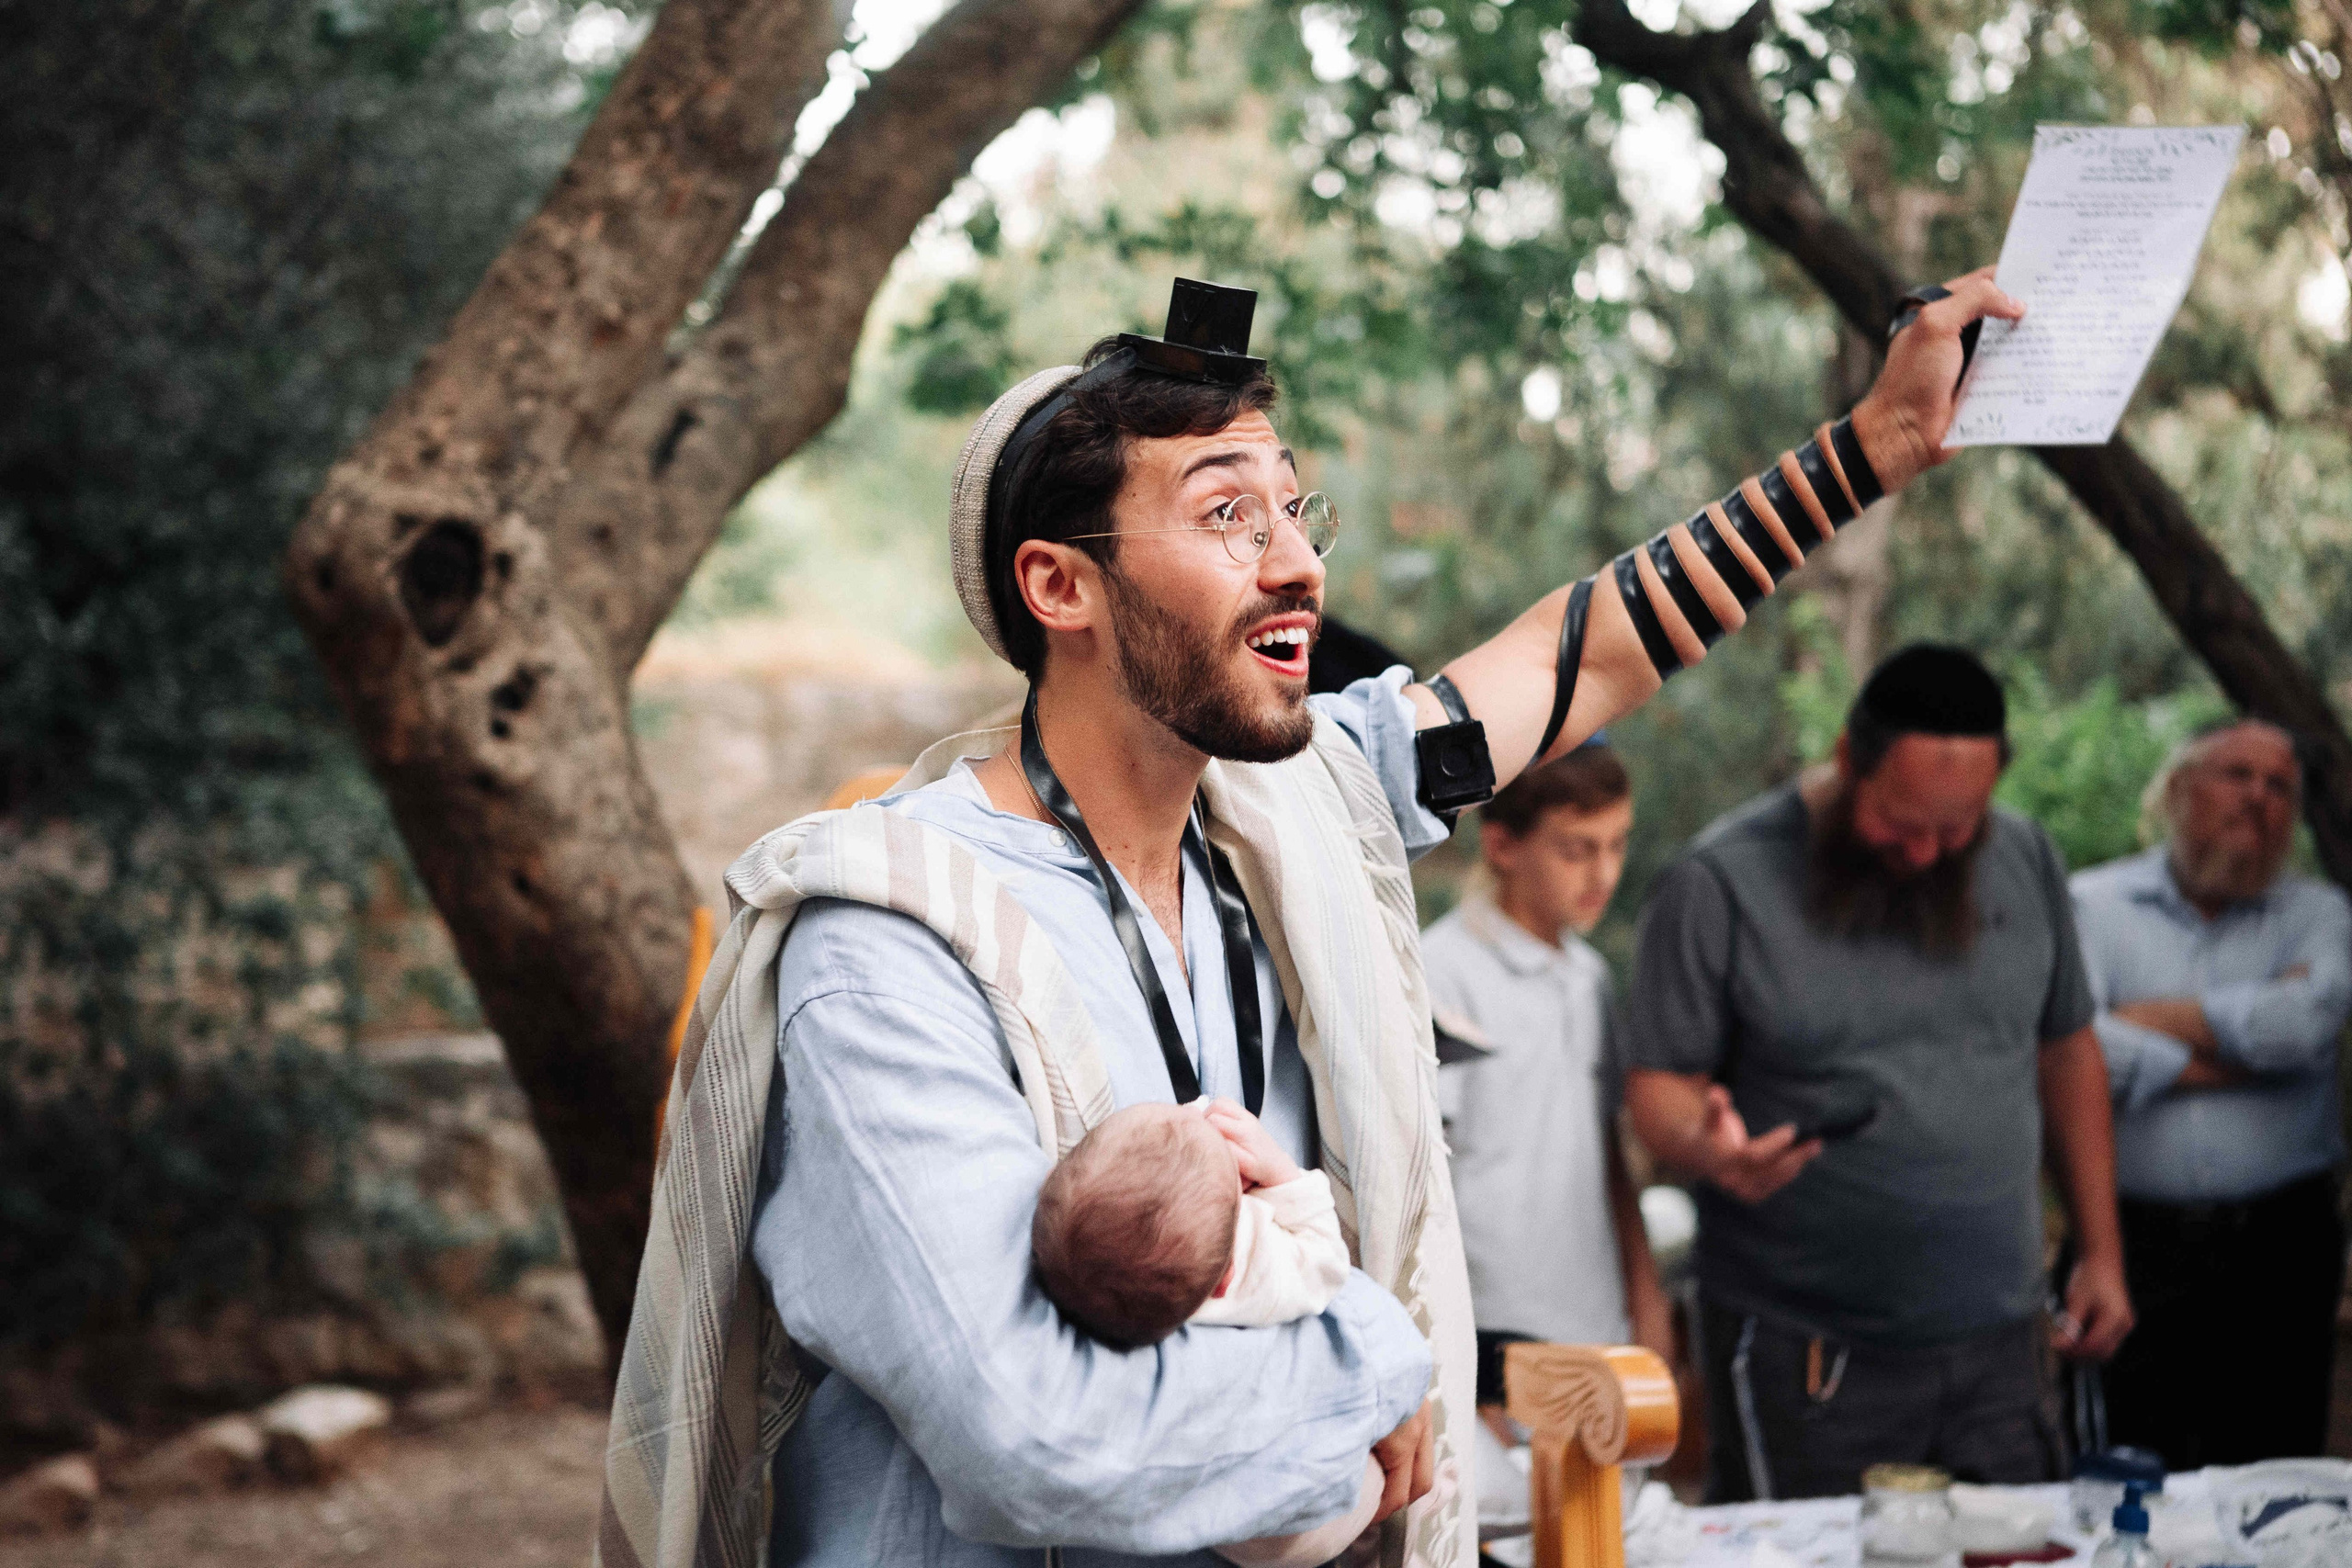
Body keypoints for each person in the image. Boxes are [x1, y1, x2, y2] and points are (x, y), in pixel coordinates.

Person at [597, 268, 2026, 1568]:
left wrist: (1871, 450)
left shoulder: (1296, 820)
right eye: (1227, 513)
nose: (1297, 563)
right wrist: (1381, 1360)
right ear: (1059, 585)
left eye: (1294, 508)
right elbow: (1042, 1439)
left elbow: (1577, 659)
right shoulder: (891, 945)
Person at [1621, 644, 2132, 1503]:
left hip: (2004, 1342)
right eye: (1904, 822)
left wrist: (2103, 1251)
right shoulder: (1719, 883)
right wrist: (1712, 1152)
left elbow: (2067, 1048)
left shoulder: (2027, 857)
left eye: (1960, 824)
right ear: (1849, 760)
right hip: (1809, 1357)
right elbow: (1657, 1092)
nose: (1930, 852)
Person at [2071, 717, 2351, 1468]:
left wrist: (2144, 1024)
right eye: (2237, 774)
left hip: (2282, 1247)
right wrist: (2242, 1048)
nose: (2258, 798)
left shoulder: (2320, 914)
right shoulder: (2091, 905)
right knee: (2125, 1469)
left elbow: (2304, 1033)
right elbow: (2074, 1049)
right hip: (2129, 1243)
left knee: (2275, 1469)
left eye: (2279, 786)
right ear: (2178, 788)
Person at [1420, 741, 1671, 1414]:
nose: (1604, 872)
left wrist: (1648, 1302)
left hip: (1599, 1333)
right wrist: (1460, 1370)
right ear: (1501, 844)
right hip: (1496, 1350)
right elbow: (1420, 1187)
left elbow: (1612, 1156)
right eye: (1576, 849)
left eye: (1617, 844)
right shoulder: (1439, 972)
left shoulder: (1587, 977)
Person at [1031, 1097, 1385, 1567]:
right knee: (1369, 1490)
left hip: (1203, 1501)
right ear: (1227, 1278)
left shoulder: (1124, 1294)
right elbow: (1326, 1261)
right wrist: (1282, 1175)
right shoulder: (1257, 1271)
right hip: (1283, 1506)